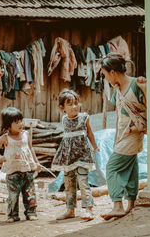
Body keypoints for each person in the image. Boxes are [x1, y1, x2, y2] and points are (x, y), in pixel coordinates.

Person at [99, 53, 147, 220]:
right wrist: (116, 137)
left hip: (133, 134)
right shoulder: (117, 90)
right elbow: (119, 114)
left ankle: (117, 205)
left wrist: (146, 90)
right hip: (122, 134)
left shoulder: (137, 84)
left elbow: (149, 107)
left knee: (112, 168)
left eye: (105, 74)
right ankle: (131, 204)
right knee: (131, 166)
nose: (106, 78)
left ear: (113, 72)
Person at [51, 89, 99, 221]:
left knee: (83, 181)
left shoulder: (84, 118)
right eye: (70, 104)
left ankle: (88, 209)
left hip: (83, 155)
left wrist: (95, 146)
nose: (74, 107)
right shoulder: (64, 119)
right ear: (62, 108)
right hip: (68, 157)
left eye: (76, 103)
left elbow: (89, 133)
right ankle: (70, 209)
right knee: (69, 183)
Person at [0, 107, 41, 223]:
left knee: (30, 193)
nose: (20, 124)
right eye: (16, 122)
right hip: (13, 172)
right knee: (13, 196)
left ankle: (31, 213)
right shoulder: (5, 138)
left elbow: (31, 149)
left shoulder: (26, 134)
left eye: (21, 121)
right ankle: (13, 215)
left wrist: (36, 163)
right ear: (8, 125)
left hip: (27, 170)